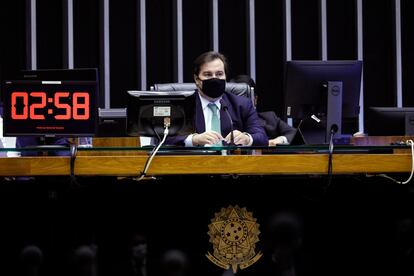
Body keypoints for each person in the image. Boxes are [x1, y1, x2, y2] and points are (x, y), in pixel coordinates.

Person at [165, 51, 268, 147]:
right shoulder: (182, 106)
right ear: (197, 79)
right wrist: (193, 139)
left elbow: (262, 138)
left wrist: (246, 138)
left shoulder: (242, 104)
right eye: (208, 74)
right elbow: (164, 139)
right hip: (194, 164)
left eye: (219, 74)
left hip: (232, 164)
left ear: (225, 77)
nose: (214, 78)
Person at [230, 75, 297, 146]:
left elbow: (294, 133)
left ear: (255, 99)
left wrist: (278, 140)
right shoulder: (224, 121)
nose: (241, 103)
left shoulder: (270, 118)